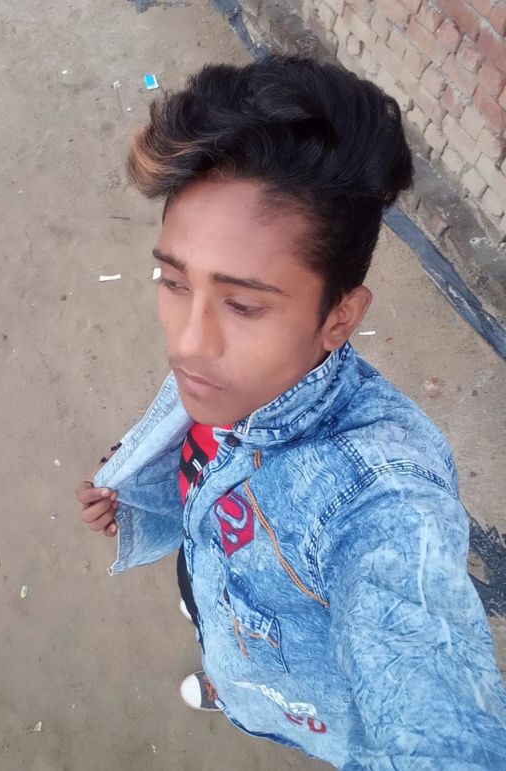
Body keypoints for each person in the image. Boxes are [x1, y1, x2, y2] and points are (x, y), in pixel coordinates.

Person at [77, 56, 506, 769]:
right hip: (212, 582)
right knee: (216, 619)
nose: (187, 342)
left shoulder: (382, 495)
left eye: (243, 304)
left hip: (301, 700)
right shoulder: (227, 373)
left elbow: (432, 705)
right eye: (173, 281)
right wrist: (136, 497)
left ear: (340, 317)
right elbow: (200, 457)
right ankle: (225, 671)